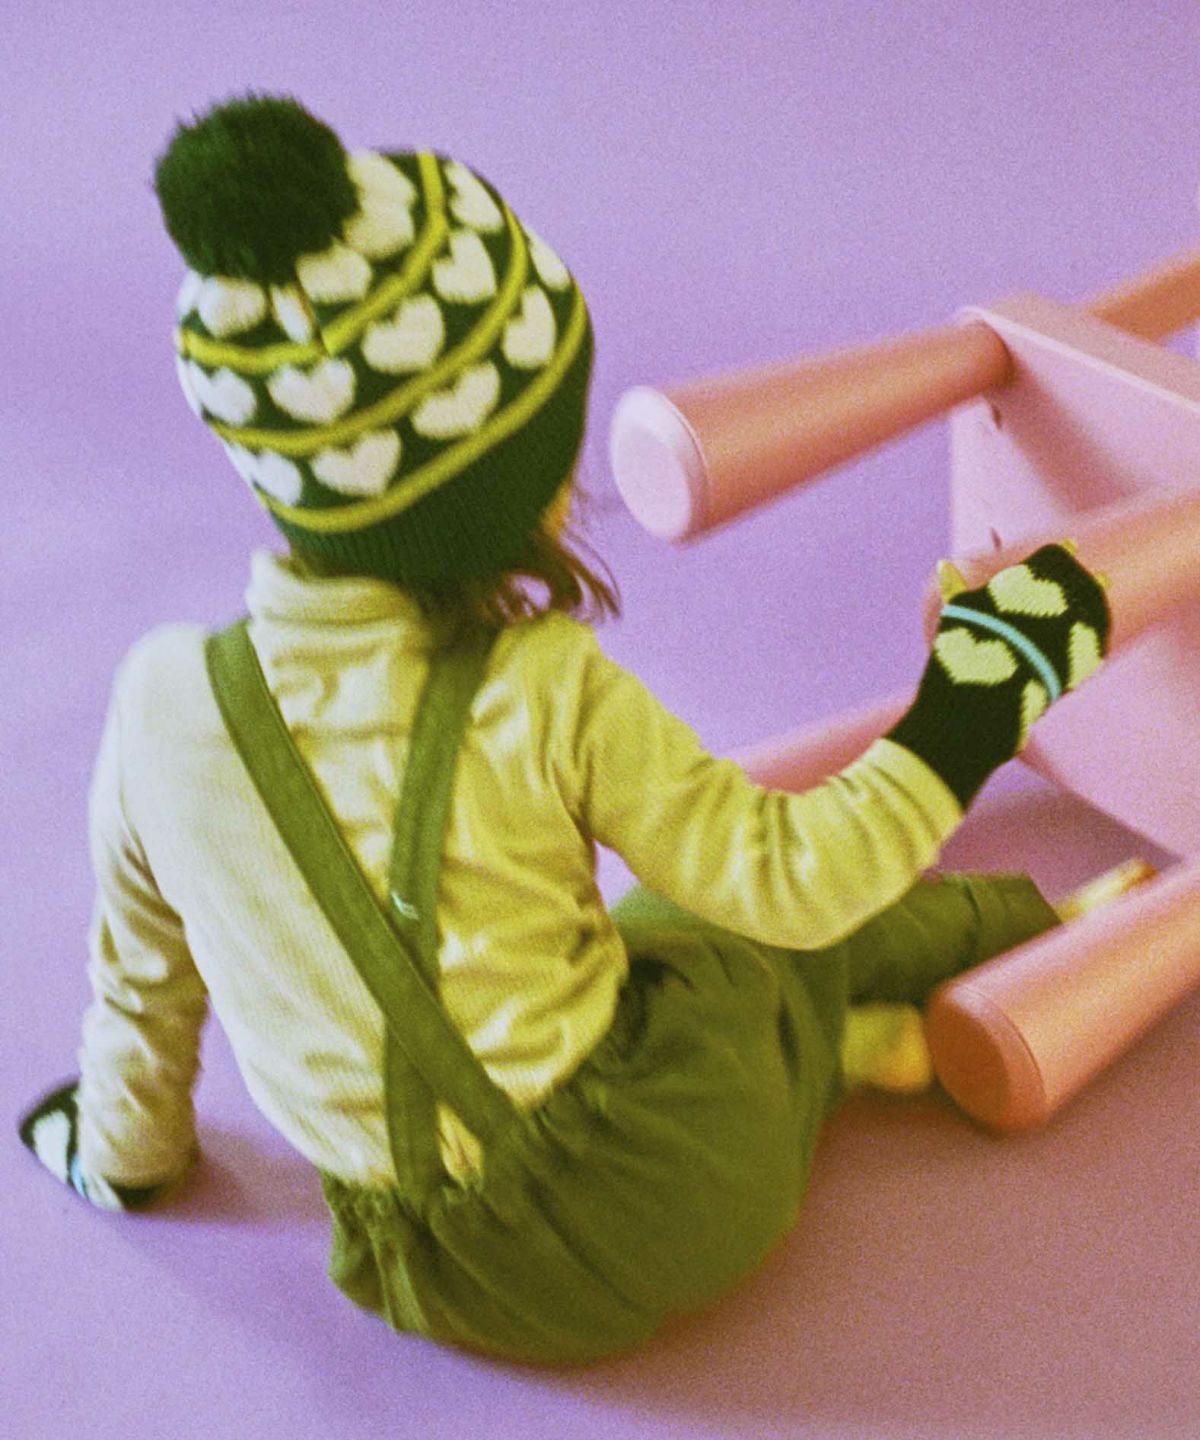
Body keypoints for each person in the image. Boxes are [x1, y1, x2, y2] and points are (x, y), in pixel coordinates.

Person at [18, 93, 1136, 1364]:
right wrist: (977, 700)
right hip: (668, 1187)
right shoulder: (541, 684)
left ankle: (841, 1050)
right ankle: (996, 948)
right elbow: (797, 883)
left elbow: (143, 981)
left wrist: (120, 1155)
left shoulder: (160, 698)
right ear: (500, 484)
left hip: (426, 1271)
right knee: (715, 931)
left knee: (659, 937)